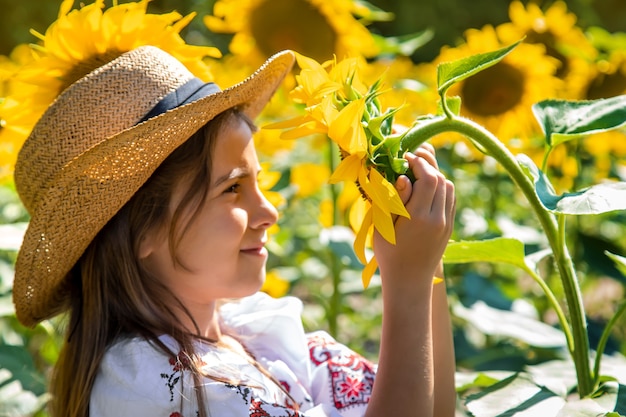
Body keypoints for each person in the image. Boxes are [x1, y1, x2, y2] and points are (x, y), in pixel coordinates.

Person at [12, 45, 456, 417]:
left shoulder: (250, 336)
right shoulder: (159, 387)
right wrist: (407, 285)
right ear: (141, 229)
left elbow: (432, 407)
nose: (268, 212)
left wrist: (425, 265)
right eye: (232, 188)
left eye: (257, 183)